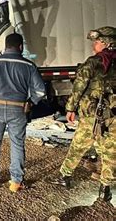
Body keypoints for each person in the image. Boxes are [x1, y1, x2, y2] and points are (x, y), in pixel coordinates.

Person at [51, 26, 115, 202]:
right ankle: (105, 188)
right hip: (114, 117)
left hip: (92, 116)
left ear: (108, 43)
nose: (94, 44)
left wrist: (70, 108)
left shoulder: (93, 63)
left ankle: (65, 177)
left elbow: (78, 88)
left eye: (98, 41)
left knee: (79, 146)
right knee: (110, 152)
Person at [0, 33, 46, 192]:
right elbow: (40, 91)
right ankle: (16, 182)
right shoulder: (28, 65)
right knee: (17, 143)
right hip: (18, 109)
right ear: (20, 47)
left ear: (5, 46)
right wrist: (31, 102)